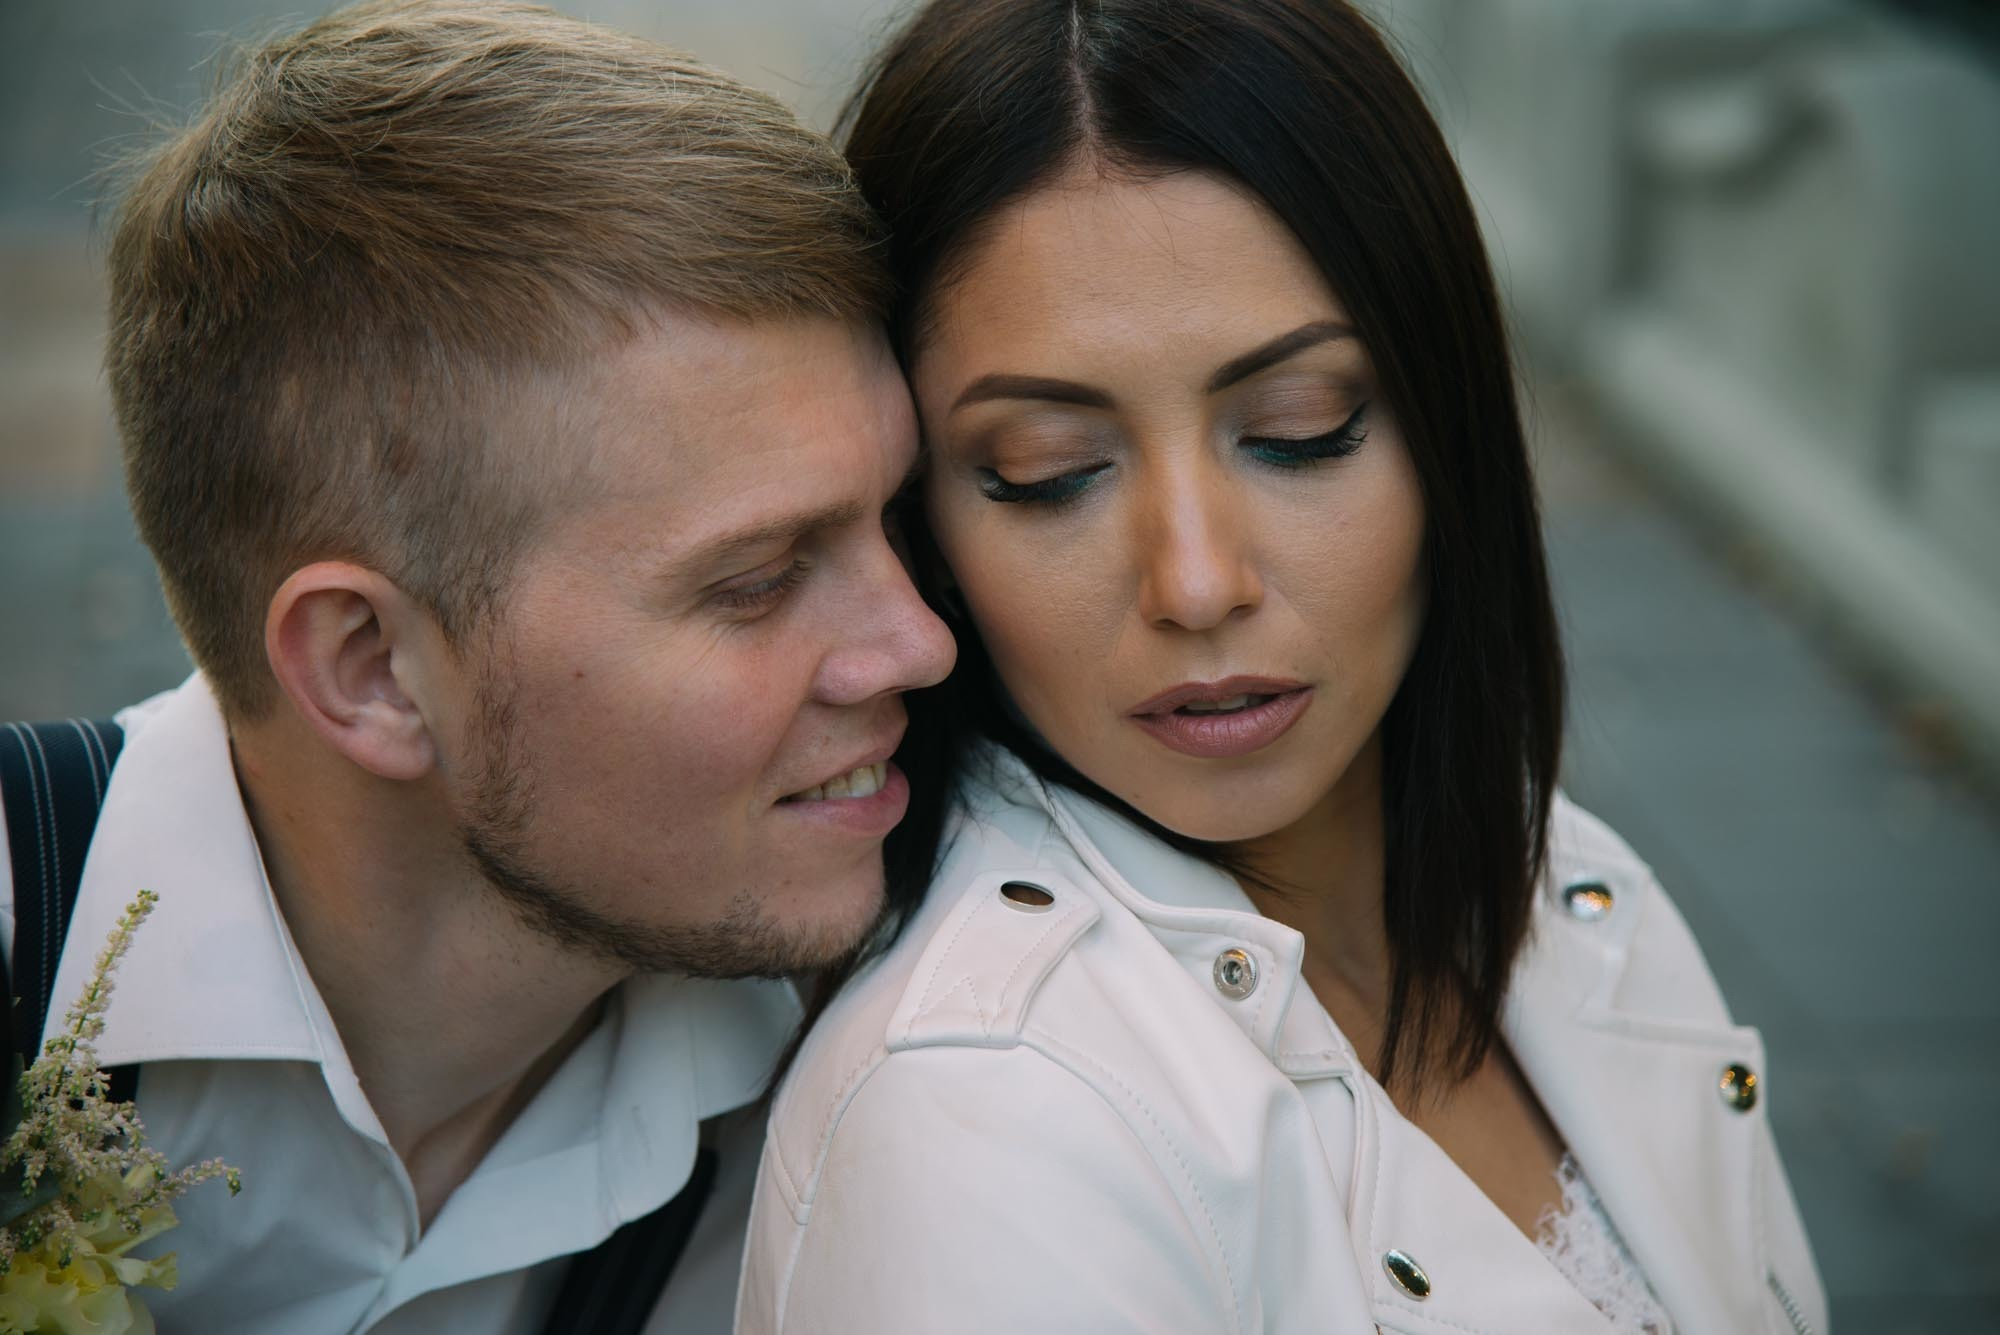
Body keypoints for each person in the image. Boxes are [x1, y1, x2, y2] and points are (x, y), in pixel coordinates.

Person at [736, 1, 1827, 1331]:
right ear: (928, 525)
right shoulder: (983, 1122)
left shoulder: (1577, 892)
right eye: (1048, 472)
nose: (1197, 583)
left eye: (1301, 430)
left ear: (1447, 421)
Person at [0, 1, 954, 1331]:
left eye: (899, 520)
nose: (919, 641)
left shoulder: (904, 1091)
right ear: (372, 668)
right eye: (756, 581)